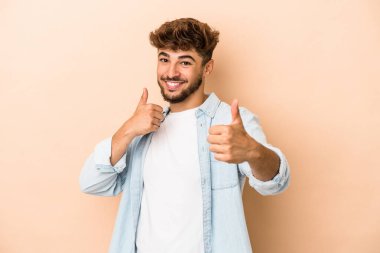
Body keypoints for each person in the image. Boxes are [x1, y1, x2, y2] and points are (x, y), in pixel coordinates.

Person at [80, 17, 290, 253]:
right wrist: (128, 129)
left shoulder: (230, 121)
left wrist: (252, 151)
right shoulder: (144, 127)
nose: (171, 72)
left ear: (207, 67)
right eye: (164, 59)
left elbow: (276, 183)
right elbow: (92, 183)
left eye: (185, 62)